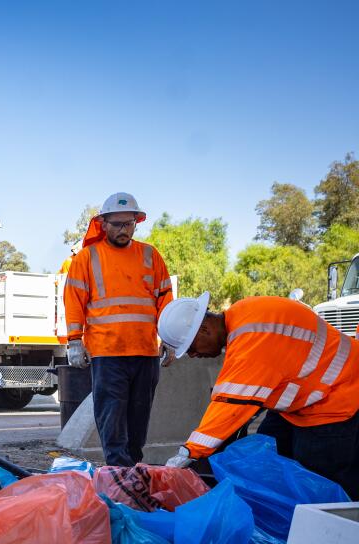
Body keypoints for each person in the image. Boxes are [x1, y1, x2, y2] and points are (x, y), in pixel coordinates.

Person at [159, 293, 359, 498]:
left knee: (317, 484)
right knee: (263, 456)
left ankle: (336, 523)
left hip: (334, 400)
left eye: (191, 348)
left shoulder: (251, 338)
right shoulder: (243, 315)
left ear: (204, 329)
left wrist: (188, 453)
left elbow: (230, 403)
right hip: (304, 400)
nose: (193, 355)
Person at [63, 192, 174, 466]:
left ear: (136, 222)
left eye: (128, 224)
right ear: (103, 223)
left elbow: (165, 300)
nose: (123, 229)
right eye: (116, 224)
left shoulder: (150, 255)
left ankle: (132, 471)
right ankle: (117, 471)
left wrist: (171, 339)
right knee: (111, 420)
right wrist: (74, 341)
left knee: (138, 422)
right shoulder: (87, 257)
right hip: (107, 353)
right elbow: (74, 301)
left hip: (145, 353)